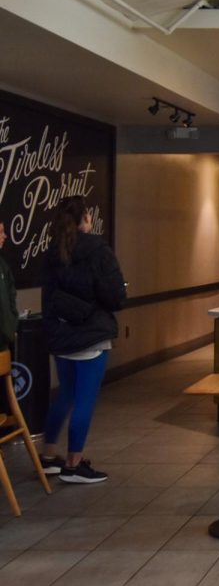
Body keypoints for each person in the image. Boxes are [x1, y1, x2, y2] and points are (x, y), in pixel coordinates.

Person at [39, 196, 127, 484]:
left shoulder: (52, 252)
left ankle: (49, 456)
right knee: (85, 401)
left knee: (65, 396)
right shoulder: (98, 250)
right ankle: (74, 464)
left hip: (62, 337)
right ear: (85, 219)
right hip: (91, 336)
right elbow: (115, 296)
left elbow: (48, 299)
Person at [0, 223, 16, 355]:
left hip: (3, 342)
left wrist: (11, 326)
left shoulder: (3, 265)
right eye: (0, 232)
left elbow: (11, 297)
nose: (4, 236)